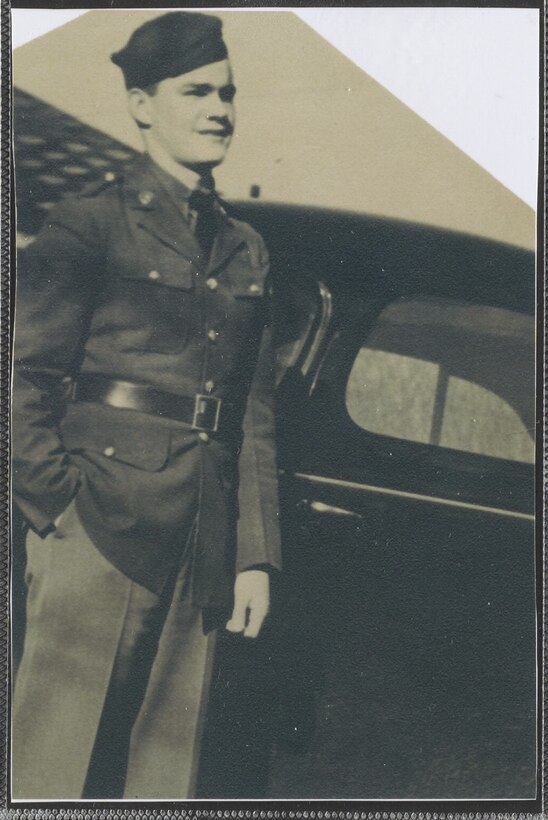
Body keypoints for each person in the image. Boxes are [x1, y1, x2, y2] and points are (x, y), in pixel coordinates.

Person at [11, 11, 281, 800]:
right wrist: (55, 508)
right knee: (52, 767)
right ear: (140, 104)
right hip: (96, 523)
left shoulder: (246, 249)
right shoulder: (89, 224)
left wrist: (255, 556)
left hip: (203, 534)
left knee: (164, 779)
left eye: (228, 93)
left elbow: (251, 414)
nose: (220, 109)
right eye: (196, 90)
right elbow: (21, 378)